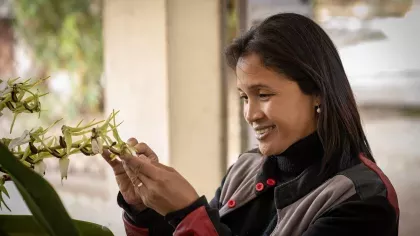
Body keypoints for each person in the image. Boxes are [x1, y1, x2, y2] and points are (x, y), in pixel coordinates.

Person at [102, 13, 399, 236]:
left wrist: (187, 211)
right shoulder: (246, 169)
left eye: (263, 95)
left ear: (317, 93)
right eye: (244, 97)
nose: (250, 113)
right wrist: (145, 208)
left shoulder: (362, 199)